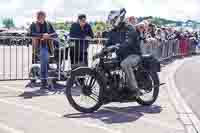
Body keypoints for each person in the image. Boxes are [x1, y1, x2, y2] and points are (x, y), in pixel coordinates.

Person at [107, 8, 144, 97]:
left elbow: (128, 42)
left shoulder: (129, 28)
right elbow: (108, 43)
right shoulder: (113, 31)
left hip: (134, 55)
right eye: (111, 21)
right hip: (121, 56)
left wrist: (116, 46)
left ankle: (135, 89)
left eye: (112, 20)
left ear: (117, 19)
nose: (111, 23)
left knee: (125, 64)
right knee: (105, 64)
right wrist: (101, 52)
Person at [29, 11, 57, 90]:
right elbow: (31, 34)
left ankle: (46, 79)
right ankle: (43, 81)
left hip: (48, 47)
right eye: (39, 17)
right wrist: (42, 35)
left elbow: (55, 34)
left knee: (45, 62)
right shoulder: (33, 24)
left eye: (42, 17)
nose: (40, 18)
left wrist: (48, 35)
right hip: (39, 47)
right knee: (44, 62)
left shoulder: (48, 24)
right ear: (37, 17)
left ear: (45, 17)